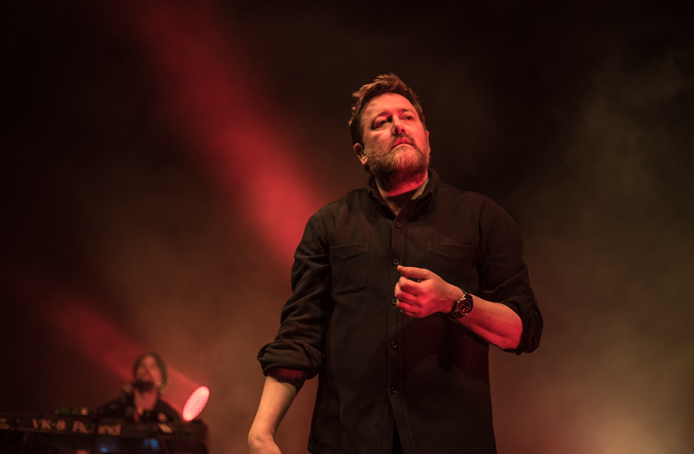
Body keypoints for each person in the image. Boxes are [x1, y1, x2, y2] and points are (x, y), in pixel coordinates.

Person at [249, 74, 542, 454]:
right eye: (381, 122)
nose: (398, 126)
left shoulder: (482, 217)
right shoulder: (328, 225)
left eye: (407, 117)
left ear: (427, 139)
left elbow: (521, 331)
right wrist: (261, 433)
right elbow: (299, 336)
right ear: (361, 153)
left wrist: (453, 301)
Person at [98, 352, 182, 423]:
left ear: (162, 378)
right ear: (134, 375)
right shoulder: (116, 409)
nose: (147, 370)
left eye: (153, 367)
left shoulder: (170, 416)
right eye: (143, 366)